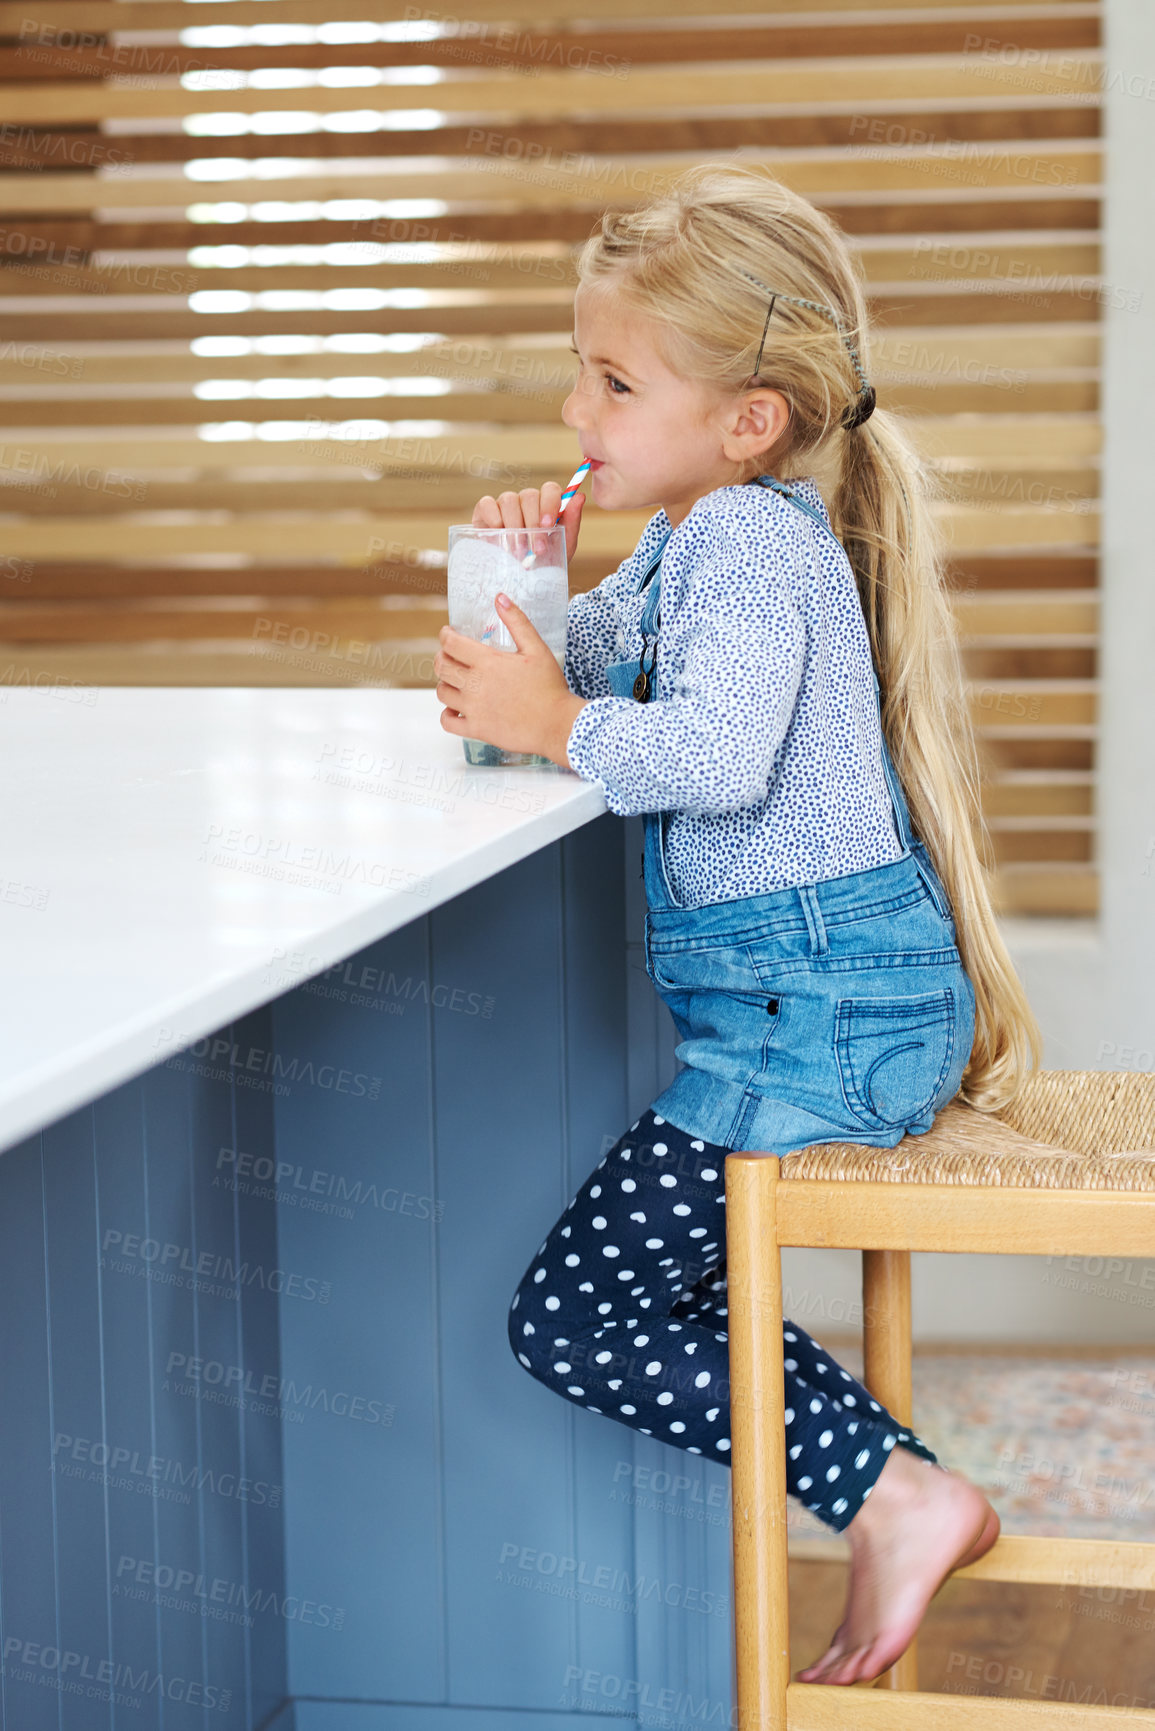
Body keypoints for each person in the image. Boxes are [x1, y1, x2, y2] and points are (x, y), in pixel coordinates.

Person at [432, 163, 1042, 1687]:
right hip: (807, 1007)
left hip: (825, 1015)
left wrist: (558, 717)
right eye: (581, 370)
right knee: (608, 1300)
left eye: (614, 379)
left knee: (574, 1314)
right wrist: (534, 596)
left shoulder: (756, 547)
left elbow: (710, 752)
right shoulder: (693, 541)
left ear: (746, 418)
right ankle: (894, 1486)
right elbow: (585, 681)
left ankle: (897, 1491)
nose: (577, 412)